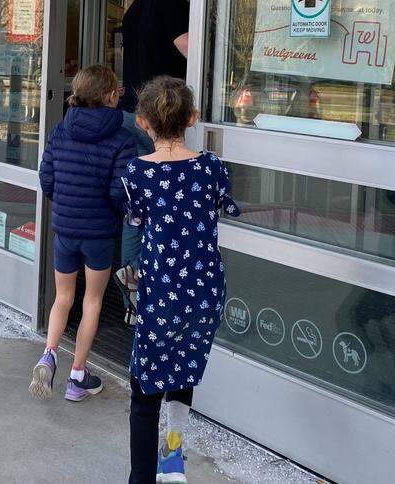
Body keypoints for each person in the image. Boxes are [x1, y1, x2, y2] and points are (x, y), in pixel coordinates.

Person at [120, 76, 239, 483]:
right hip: (205, 287)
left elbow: (137, 220)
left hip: (162, 286)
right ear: (193, 117)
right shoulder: (212, 167)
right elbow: (227, 206)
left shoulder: (137, 173)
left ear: (142, 123)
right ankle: (173, 451)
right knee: (184, 367)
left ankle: (142, 477)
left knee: (145, 384)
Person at [32, 65, 137, 402]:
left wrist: (64, 203)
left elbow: (46, 177)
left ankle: (49, 353)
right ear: (110, 96)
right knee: (91, 300)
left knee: (63, 297)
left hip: (64, 228)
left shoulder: (60, 130)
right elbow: (121, 192)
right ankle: (77, 376)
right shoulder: (123, 139)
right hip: (99, 234)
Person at [114, 0, 194, 321]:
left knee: (137, 207)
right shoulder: (173, 6)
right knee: (163, 207)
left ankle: (132, 285)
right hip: (160, 119)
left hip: (132, 114)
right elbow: (191, 53)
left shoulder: (136, 6)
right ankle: (156, 294)